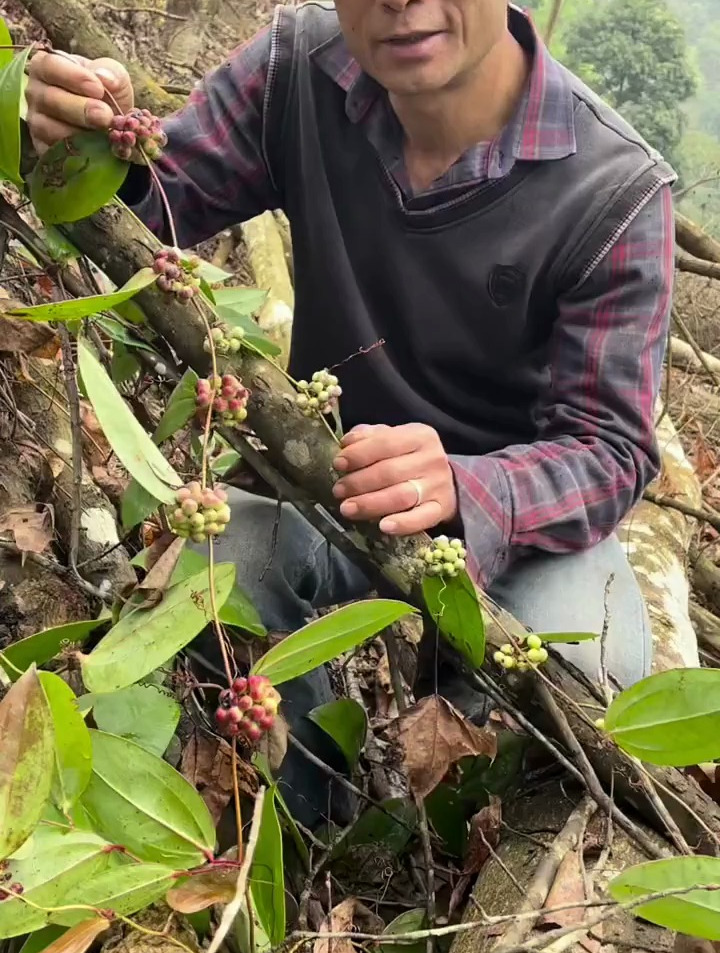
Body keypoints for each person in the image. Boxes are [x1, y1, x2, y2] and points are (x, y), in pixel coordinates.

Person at [27, 0, 675, 827]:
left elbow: (609, 448)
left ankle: (456, 856)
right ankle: (305, 825)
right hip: (329, 478)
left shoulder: (612, 191)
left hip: (522, 530)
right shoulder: (300, 70)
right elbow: (153, 204)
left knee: (591, 681)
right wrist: (86, 136)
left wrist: (470, 488)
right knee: (208, 576)